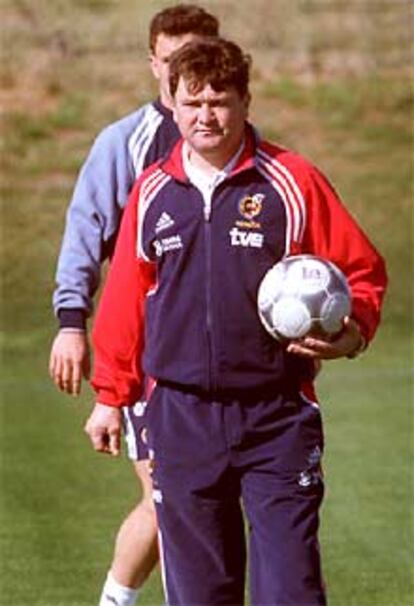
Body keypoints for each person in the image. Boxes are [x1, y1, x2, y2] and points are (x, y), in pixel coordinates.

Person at [88, 37, 388, 605]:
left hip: (276, 417)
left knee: (291, 591)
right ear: (171, 105)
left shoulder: (292, 182)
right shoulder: (153, 192)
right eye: (193, 102)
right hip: (180, 418)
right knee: (203, 594)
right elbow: (126, 300)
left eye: (220, 100)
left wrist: (352, 334)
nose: (207, 115)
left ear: (246, 103)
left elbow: (361, 270)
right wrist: (110, 395)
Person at [48, 6, 219, 606]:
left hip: (226, 366)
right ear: (154, 64)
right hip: (151, 360)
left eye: (196, 56)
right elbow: (84, 234)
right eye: (171, 61)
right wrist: (72, 323)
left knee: (183, 498)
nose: (184, 73)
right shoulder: (125, 143)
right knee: (172, 496)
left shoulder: (228, 138)